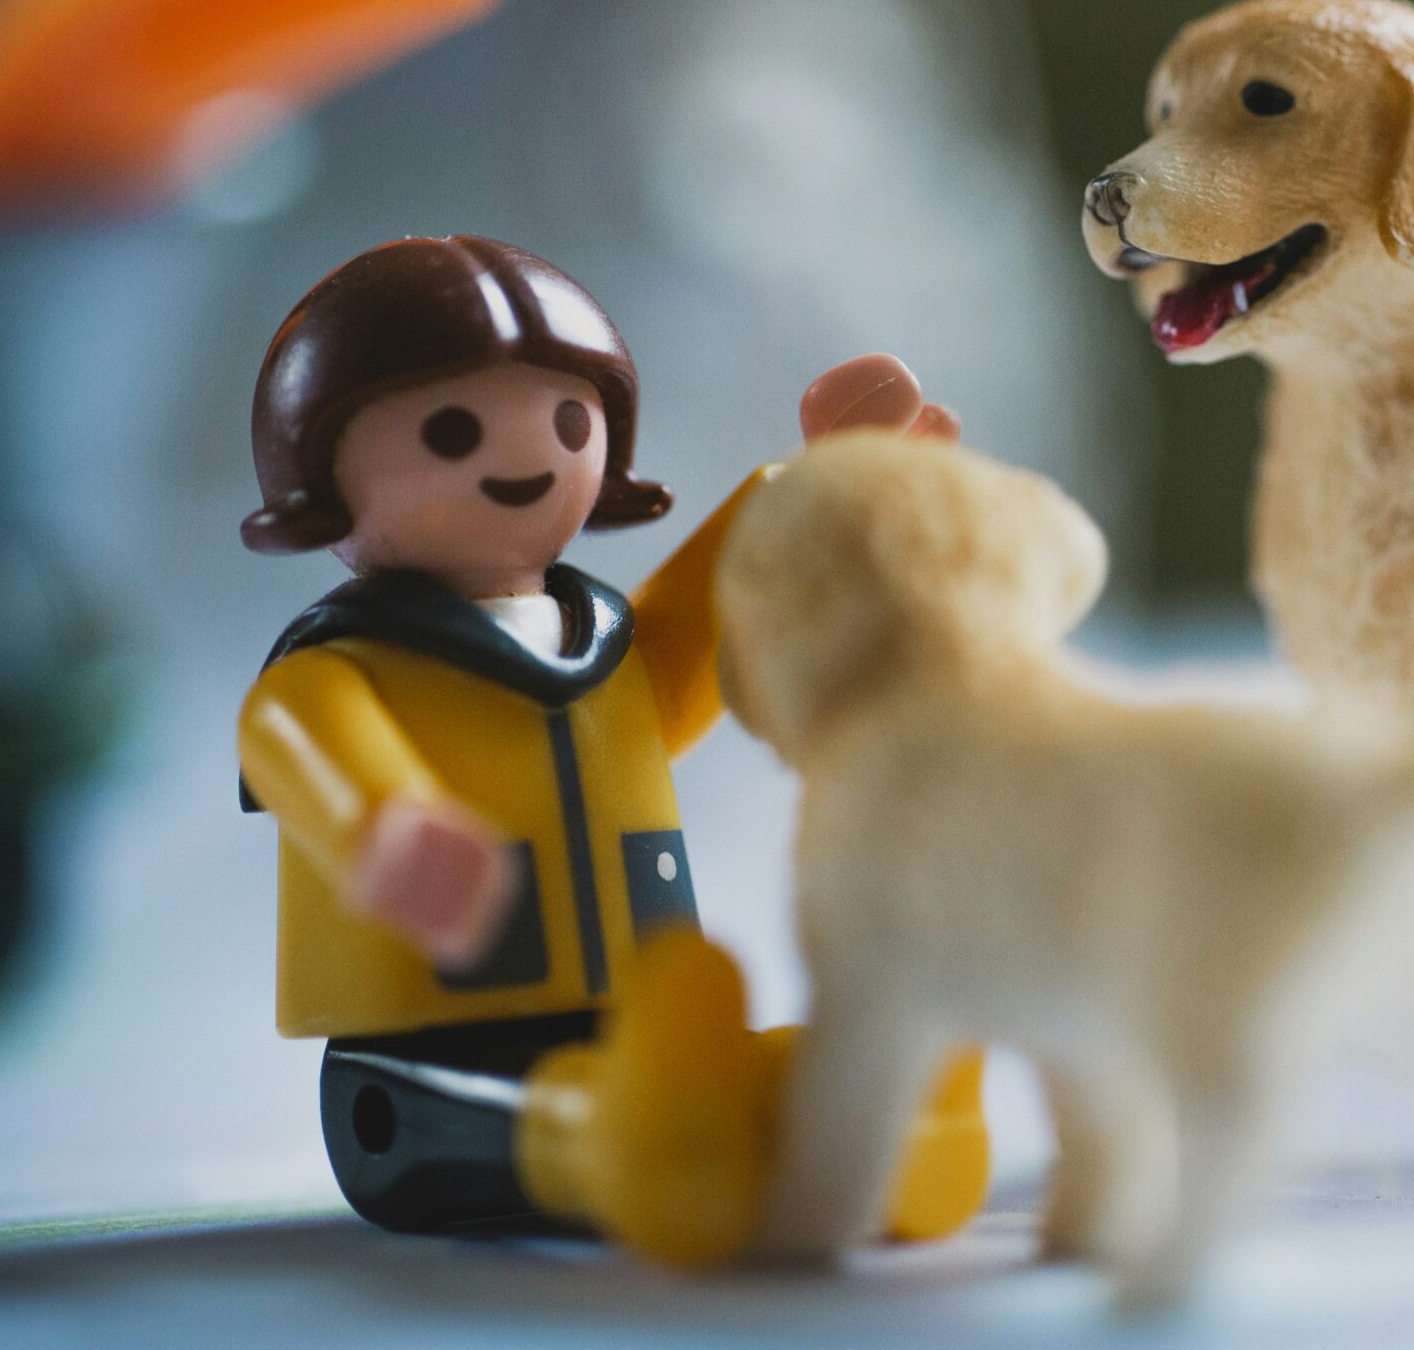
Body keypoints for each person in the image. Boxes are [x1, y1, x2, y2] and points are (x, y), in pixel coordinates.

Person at [235, 235, 982, 1266]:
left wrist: (822, 490)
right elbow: (291, 737)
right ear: (320, 463)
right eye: (451, 430)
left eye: (568, 421)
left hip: (641, 1019)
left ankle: (878, 1117)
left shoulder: (607, 646)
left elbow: (729, 594)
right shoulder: (342, 666)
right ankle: (650, 1152)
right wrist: (383, 830)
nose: (525, 458)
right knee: (564, 1115)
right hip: (420, 1070)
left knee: (721, 1069)